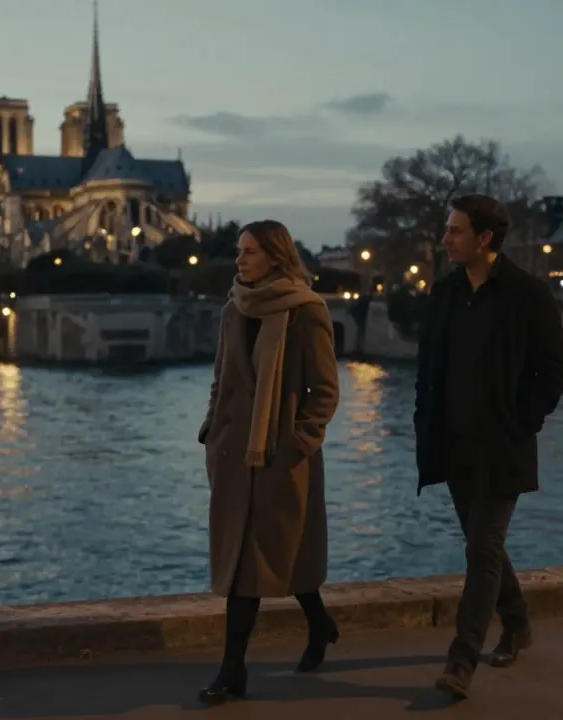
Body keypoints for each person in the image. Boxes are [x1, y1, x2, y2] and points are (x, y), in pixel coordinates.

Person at [413, 194, 563, 700]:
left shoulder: (528, 295)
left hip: (502, 447)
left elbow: (553, 373)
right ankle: (518, 623)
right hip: (455, 446)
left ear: (485, 239)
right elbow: (428, 371)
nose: (445, 238)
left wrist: (519, 423)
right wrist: (425, 424)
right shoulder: (444, 294)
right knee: (485, 547)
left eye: (456, 231)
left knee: (481, 549)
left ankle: (461, 662)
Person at [196, 219, 342, 705]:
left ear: (276, 257)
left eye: (250, 252)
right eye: (239, 251)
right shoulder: (233, 310)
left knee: (265, 558)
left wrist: (299, 442)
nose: (240, 260)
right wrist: (210, 429)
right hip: (235, 454)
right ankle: (316, 624)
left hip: (279, 454)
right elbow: (222, 380)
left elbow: (323, 392)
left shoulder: (306, 312)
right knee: (255, 560)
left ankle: (232, 671)